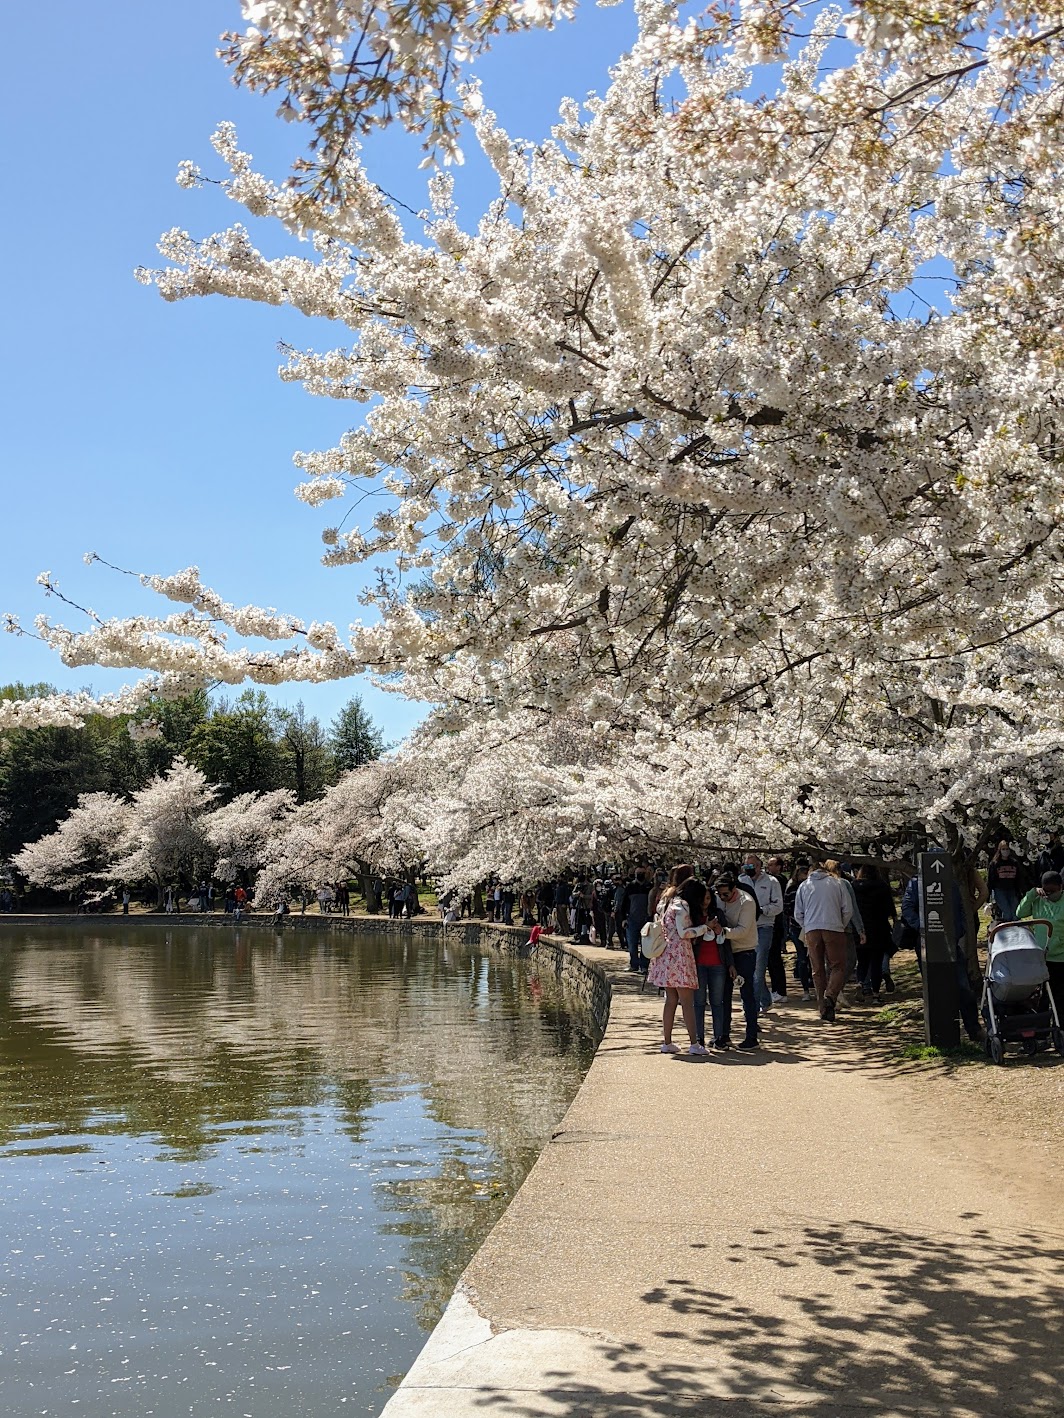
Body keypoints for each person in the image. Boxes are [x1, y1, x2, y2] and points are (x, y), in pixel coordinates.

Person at [648, 877, 707, 1055]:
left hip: (666, 956)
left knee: (670, 1000)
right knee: (687, 1002)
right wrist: (704, 928)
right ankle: (694, 1043)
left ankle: (667, 1042)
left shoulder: (668, 903)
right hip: (680, 956)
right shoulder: (682, 906)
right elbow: (684, 932)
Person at [794, 861, 853, 1022]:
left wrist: (807, 925)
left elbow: (797, 913)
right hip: (833, 926)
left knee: (817, 969)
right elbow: (848, 909)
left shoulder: (804, 886)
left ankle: (822, 1007)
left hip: (812, 928)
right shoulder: (837, 883)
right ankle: (831, 996)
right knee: (838, 966)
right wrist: (841, 923)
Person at [714, 872, 760, 1049]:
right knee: (723, 995)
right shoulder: (719, 900)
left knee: (746, 994)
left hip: (744, 951)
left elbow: (743, 930)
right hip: (725, 951)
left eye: (726, 894)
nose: (723, 898)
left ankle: (751, 1036)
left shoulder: (746, 902)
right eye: (720, 894)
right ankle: (723, 1034)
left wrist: (722, 931)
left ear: (735, 889)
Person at [739, 854, 783, 1013]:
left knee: (758, 968)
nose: (749, 868)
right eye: (746, 866)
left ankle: (752, 1007)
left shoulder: (772, 882)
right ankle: (765, 999)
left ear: (759, 866)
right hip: (745, 928)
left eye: (752, 865)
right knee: (747, 969)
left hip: (764, 927)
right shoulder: (741, 881)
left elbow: (778, 906)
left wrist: (762, 910)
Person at [693, 889, 735, 1049]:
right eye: (703, 898)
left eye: (709, 898)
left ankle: (718, 1038)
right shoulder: (693, 916)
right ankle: (699, 1038)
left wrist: (731, 964)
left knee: (717, 1002)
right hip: (699, 964)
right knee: (699, 1002)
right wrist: (704, 927)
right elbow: (689, 939)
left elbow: (726, 942)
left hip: (718, 964)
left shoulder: (718, 914)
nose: (706, 902)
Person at [1016, 870, 1064, 1002]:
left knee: (1058, 994)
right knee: (1042, 996)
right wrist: (1032, 894)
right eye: (1046, 891)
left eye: (1053, 891)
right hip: (1041, 956)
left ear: (1061, 887)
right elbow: (1020, 913)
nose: (1049, 895)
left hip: (1060, 958)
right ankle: (1042, 1019)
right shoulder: (1039, 901)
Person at [852, 864, 895, 1001]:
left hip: (860, 929)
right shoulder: (882, 886)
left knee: (862, 960)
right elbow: (889, 908)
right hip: (879, 928)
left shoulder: (854, 887)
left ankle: (860, 983)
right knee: (876, 962)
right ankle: (876, 993)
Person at [784, 860, 812, 998]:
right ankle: (805, 988)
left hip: (811, 926)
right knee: (802, 958)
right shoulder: (792, 889)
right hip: (796, 927)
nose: (805, 876)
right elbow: (787, 908)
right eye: (803, 873)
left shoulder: (812, 888)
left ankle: (812, 983)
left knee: (813, 957)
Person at [765, 855, 790, 1000]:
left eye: (771, 865)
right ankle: (776, 989)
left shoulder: (778, 880)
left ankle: (780, 990)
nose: (769, 868)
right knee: (771, 958)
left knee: (774, 958)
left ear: (779, 866)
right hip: (776, 923)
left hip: (777, 923)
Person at [622, 868, 652, 973]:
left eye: (642, 873)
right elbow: (624, 903)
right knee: (632, 943)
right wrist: (624, 919)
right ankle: (633, 964)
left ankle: (644, 966)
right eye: (638, 873)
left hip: (646, 920)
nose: (640, 875)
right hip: (632, 919)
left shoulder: (650, 887)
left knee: (646, 944)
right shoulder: (630, 887)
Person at [988, 840, 1027, 921]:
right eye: (1003, 849)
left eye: (1007, 849)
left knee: (1015, 914)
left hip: (1012, 890)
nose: (1005, 851)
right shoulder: (995, 863)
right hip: (1000, 890)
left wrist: (1021, 891)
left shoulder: (1014, 862)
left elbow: (1019, 878)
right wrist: (988, 898)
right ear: (999, 850)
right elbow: (991, 880)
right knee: (1007, 913)